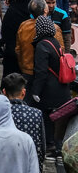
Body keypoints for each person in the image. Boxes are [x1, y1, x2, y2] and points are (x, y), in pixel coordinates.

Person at [32, 15, 71, 155]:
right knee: (57, 119)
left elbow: (41, 72)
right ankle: (57, 147)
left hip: (50, 90)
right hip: (62, 88)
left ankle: (50, 146)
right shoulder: (54, 41)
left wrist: (36, 91)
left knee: (46, 117)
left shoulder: (42, 45)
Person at [2, 0, 33, 77]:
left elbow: (4, 32)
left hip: (11, 52)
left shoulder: (11, 11)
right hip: (26, 52)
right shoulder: (31, 14)